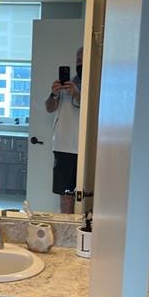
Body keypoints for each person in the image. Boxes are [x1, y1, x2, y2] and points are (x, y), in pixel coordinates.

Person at [45, 47, 82, 213]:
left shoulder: (98, 83)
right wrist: (54, 94)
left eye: (83, 61)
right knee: (65, 195)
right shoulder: (65, 85)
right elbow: (49, 108)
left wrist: (77, 93)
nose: (80, 64)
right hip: (63, 147)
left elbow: (95, 109)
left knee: (87, 194)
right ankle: (66, 225)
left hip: (87, 149)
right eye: (78, 61)